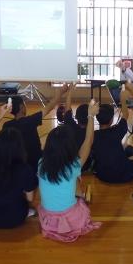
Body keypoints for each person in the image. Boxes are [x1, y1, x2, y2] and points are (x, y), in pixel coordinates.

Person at [37, 99, 101, 242]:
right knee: (77, 181)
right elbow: (88, 141)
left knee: (72, 181)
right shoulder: (73, 166)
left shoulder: (41, 163)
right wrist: (91, 116)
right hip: (71, 219)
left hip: (48, 219)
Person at [0, 103, 36, 229]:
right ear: (20, 147)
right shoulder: (25, 169)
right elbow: (30, 198)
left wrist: (1, 115)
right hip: (15, 218)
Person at [3, 84, 69, 186]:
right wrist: (60, 93)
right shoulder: (30, 121)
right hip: (34, 163)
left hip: (16, 164)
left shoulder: (6, 125)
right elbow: (49, 107)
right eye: (24, 104)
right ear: (21, 107)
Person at [93, 87, 133, 183]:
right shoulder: (117, 131)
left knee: (124, 146)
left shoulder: (93, 136)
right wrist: (123, 100)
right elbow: (125, 114)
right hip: (122, 175)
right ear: (112, 119)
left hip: (102, 175)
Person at [63, 84, 92, 171]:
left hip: (69, 164)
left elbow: (67, 109)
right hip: (85, 165)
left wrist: (69, 92)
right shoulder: (91, 135)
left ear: (76, 117)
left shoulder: (70, 126)